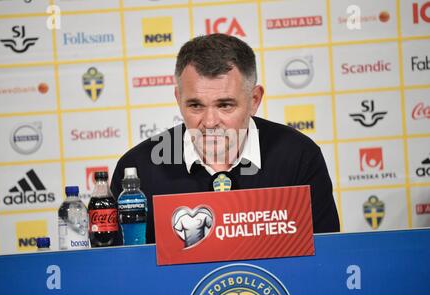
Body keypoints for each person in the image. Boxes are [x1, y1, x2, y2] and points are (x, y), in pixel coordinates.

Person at [111, 33, 340, 244]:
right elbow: (123, 271)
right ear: (178, 98)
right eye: (195, 105)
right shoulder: (138, 168)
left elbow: (326, 258)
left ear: (254, 100)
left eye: (225, 105)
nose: (210, 122)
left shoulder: (299, 156)